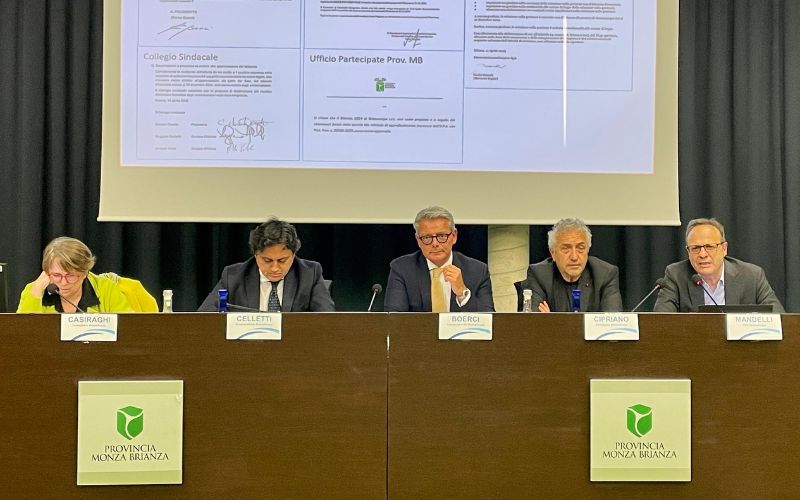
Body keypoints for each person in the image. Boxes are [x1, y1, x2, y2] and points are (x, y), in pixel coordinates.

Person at [199, 218, 335, 312]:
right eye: (267, 260)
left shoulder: (310, 274)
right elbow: (204, 317)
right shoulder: (233, 276)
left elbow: (326, 320)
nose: (275, 268)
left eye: (282, 260)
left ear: (293, 255)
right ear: (255, 255)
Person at [654, 218, 784, 312]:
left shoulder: (752, 276)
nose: (702, 254)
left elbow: (779, 319)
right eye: (695, 248)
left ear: (724, 249)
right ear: (688, 251)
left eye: (709, 247)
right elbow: (661, 322)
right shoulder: (676, 275)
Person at [384, 206, 494, 312]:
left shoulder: (478, 271)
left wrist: (462, 293)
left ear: (454, 236)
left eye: (441, 236)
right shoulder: (402, 269)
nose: (435, 244)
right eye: (427, 237)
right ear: (418, 240)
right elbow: (394, 319)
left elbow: (489, 319)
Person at [519, 218, 622, 312]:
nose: (574, 257)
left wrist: (553, 321)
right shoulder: (539, 275)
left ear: (588, 250)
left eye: (580, 248)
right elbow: (533, 322)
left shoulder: (605, 274)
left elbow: (612, 323)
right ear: (553, 253)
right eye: (566, 249)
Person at [17, 237, 133, 313]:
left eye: (70, 276)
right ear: (47, 272)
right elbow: (22, 333)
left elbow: (128, 329)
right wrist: (36, 293)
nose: (63, 282)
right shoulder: (33, 290)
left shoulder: (106, 288)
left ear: (85, 272)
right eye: (57, 275)